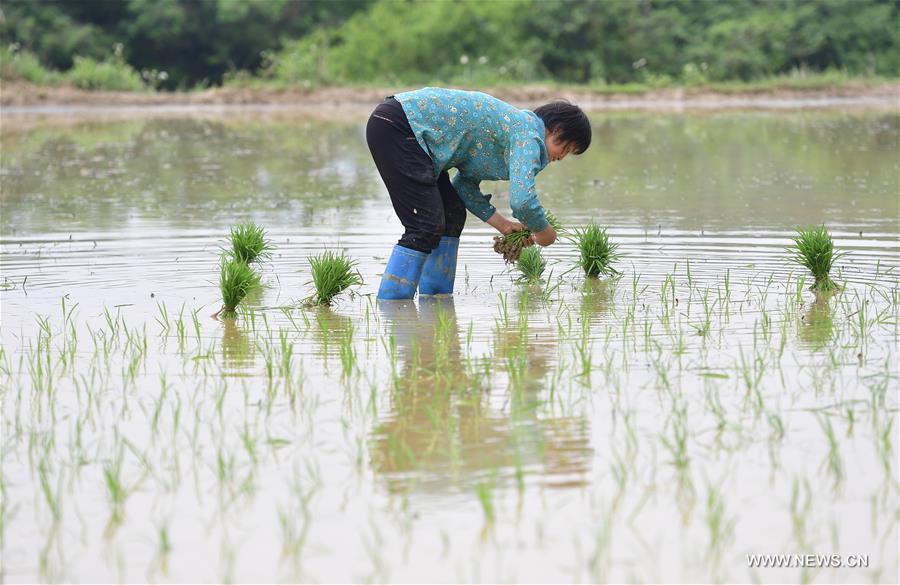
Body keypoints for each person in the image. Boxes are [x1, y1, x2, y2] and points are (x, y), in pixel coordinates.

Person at [366, 87, 591, 300]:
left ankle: (436, 301)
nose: (561, 158)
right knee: (425, 224)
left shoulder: (514, 135)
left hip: (413, 138)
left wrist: (503, 225)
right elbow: (523, 201)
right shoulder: (529, 135)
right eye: (567, 149)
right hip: (400, 126)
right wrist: (544, 232)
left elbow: (463, 185)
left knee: (452, 214)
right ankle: (393, 307)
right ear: (557, 130)